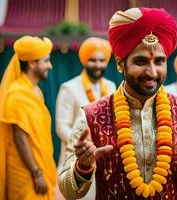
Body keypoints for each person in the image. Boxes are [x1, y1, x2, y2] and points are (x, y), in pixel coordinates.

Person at [58, 7, 177, 200]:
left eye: (159, 61)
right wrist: (83, 167)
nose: (152, 72)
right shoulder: (91, 116)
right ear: (120, 64)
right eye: (141, 62)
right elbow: (67, 191)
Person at [0, 36, 57, 200]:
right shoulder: (17, 93)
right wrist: (36, 173)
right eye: (46, 61)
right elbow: (20, 137)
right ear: (32, 63)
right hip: (26, 171)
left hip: (40, 166)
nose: (50, 65)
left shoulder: (35, 91)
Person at [56, 37, 115, 199]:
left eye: (102, 60)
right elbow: (62, 126)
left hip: (103, 159)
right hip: (76, 156)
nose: (98, 65)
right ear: (83, 61)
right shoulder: (69, 88)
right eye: (92, 60)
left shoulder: (111, 87)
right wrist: (83, 147)